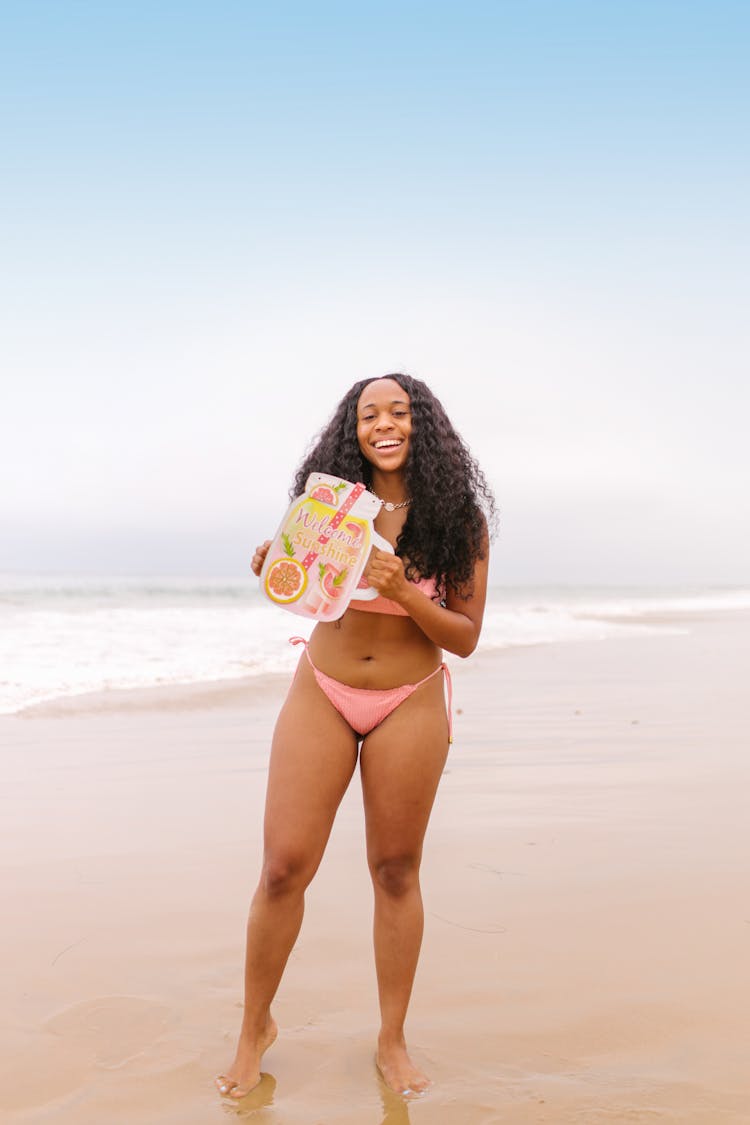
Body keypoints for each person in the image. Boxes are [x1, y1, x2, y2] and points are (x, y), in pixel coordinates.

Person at [216, 374, 496, 1100]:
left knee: (396, 869)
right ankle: (254, 1027)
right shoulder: (327, 506)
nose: (384, 424)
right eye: (369, 414)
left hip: (411, 696)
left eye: (399, 412)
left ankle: (392, 1039)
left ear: (422, 425)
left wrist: (404, 589)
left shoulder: (456, 520)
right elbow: (303, 586)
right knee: (282, 866)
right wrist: (274, 567)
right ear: (354, 429)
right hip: (325, 686)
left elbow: (464, 637)